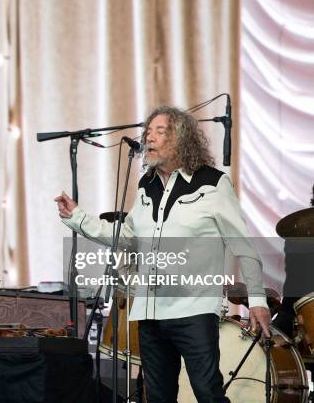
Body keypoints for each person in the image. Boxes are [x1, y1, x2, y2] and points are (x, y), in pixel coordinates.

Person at [55, 106, 271, 402]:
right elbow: (126, 237)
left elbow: (244, 247)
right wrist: (78, 216)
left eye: (160, 132)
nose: (150, 139)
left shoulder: (212, 183)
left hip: (193, 308)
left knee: (207, 392)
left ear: (181, 138)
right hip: (150, 311)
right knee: (157, 396)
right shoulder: (146, 185)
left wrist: (257, 300)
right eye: (148, 133)